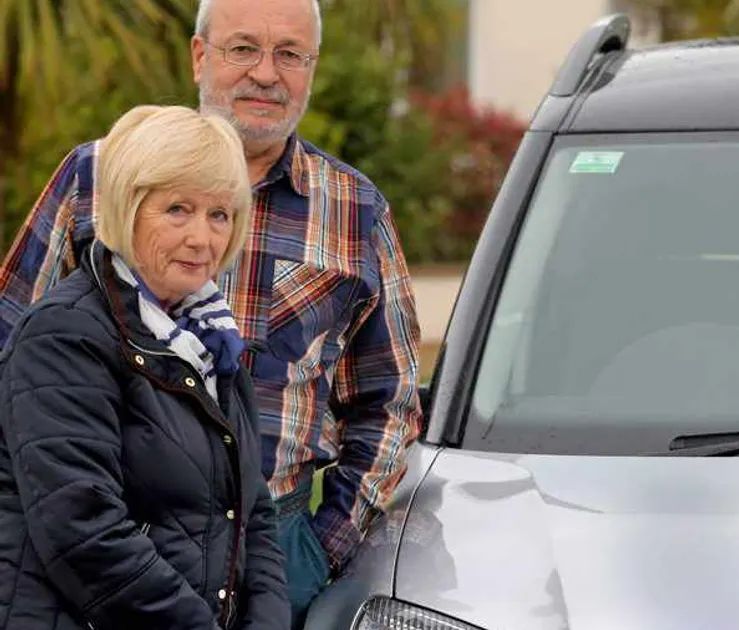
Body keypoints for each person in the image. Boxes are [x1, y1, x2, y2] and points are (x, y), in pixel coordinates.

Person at [0, 0, 423, 626]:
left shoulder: (355, 211)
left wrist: (318, 548)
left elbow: (389, 400)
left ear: (311, 68)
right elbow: (12, 342)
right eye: (244, 48)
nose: (266, 73)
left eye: (289, 54)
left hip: (267, 553)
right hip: (100, 545)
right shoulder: (96, 174)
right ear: (201, 57)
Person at [0, 105, 288, 630]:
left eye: (219, 214)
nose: (203, 238)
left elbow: (255, 514)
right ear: (126, 208)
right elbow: (82, 529)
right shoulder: (64, 335)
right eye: (177, 209)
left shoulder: (211, 342)